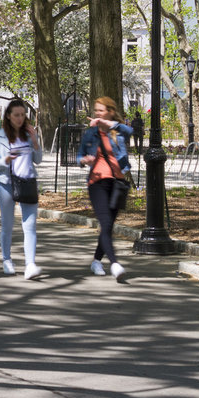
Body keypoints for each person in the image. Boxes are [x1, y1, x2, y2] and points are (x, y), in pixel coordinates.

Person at [77, 96, 133, 282]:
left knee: (108, 227)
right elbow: (79, 155)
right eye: (96, 111)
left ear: (109, 111)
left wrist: (109, 124)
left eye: (101, 110)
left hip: (117, 183)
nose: (98, 114)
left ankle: (96, 261)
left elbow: (130, 130)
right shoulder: (91, 134)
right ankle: (115, 264)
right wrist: (85, 160)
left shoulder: (118, 131)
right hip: (97, 182)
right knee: (106, 222)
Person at [0, 98, 42, 279]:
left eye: (23, 115)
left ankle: (30, 264)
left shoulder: (29, 134)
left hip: (28, 182)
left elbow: (38, 159)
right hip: (7, 184)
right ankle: (7, 260)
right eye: (16, 115)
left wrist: (35, 140)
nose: (20, 118)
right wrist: (6, 159)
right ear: (9, 116)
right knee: (7, 225)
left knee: (30, 226)